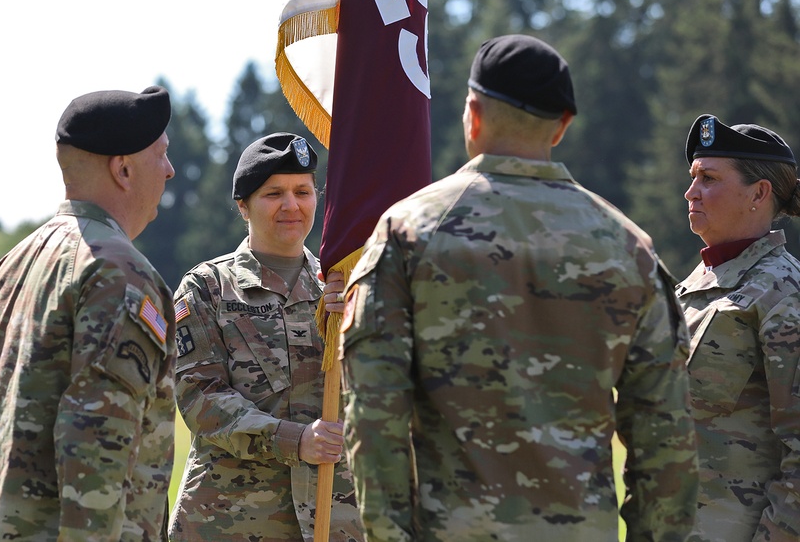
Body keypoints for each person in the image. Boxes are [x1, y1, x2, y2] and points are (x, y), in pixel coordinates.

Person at [340, 34, 699, 541]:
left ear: (473, 113)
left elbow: (375, 416)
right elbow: (666, 438)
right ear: (563, 126)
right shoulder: (627, 247)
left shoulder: (410, 230)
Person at [0, 87, 178, 541]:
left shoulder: (17, 258)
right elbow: (95, 445)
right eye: (162, 155)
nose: (170, 171)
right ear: (124, 169)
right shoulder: (118, 272)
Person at [169, 132, 364, 541]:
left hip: (336, 519)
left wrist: (358, 321)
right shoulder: (206, 288)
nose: (291, 205)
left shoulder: (348, 286)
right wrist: (294, 441)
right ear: (244, 206)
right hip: (230, 522)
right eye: (274, 193)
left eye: (303, 191)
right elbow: (200, 399)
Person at [677, 114, 800, 541]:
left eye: (708, 178)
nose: (691, 191)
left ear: (759, 193)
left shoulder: (783, 293)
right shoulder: (693, 287)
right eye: (693, 177)